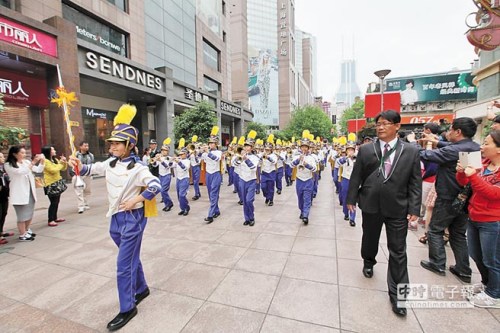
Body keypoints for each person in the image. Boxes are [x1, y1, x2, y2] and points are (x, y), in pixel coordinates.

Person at [69, 104, 161, 331]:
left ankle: (128, 307)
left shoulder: (139, 168)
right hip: (115, 219)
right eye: (111, 143)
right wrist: (75, 165)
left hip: (132, 218)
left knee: (123, 266)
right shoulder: (109, 164)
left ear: (130, 145)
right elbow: (88, 170)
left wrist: (136, 201)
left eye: (117, 143)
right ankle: (142, 289)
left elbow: (156, 185)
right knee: (130, 259)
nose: (112, 146)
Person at [346, 110, 422, 317]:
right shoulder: (366, 150)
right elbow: (356, 176)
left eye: (385, 123)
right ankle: (368, 261)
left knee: (398, 251)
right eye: (378, 123)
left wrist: (415, 208)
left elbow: (416, 182)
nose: (380, 127)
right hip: (370, 204)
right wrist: (351, 199)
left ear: (397, 126)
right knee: (369, 238)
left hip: (398, 207)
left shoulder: (411, 151)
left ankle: (399, 296)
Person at [410, 118, 480, 283]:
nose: (447, 132)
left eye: (450, 129)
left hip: (448, 196)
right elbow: (452, 148)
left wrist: (413, 143)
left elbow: (427, 155)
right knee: (458, 234)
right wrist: (435, 141)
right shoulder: (474, 147)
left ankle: (437, 263)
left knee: (435, 230)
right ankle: (463, 269)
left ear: (458, 132)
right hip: (465, 197)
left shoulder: (453, 151)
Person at [456, 130, 500, 309]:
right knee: (476, 255)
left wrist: (472, 175)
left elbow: (493, 193)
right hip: (474, 216)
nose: (482, 147)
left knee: (493, 259)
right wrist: (461, 172)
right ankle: (487, 284)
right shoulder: (483, 164)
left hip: (493, 221)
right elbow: (463, 182)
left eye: (487, 143)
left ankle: (495, 294)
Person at [4, 146, 45, 241]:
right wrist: (33, 162)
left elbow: (38, 170)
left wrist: (42, 161)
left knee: (29, 213)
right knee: (22, 215)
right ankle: (22, 234)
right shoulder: (9, 165)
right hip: (19, 192)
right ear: (14, 154)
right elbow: (21, 172)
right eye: (21, 153)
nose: (24, 154)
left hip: (29, 191)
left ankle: (26, 230)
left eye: (24, 152)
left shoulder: (26, 162)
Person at [233, 130, 260, 226]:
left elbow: (253, 168)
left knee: (249, 200)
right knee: (244, 201)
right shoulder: (240, 155)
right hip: (242, 179)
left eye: (248, 146)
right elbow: (234, 164)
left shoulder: (255, 157)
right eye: (245, 146)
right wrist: (238, 158)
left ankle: (251, 217)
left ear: (252, 148)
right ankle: (247, 218)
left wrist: (246, 159)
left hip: (251, 180)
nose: (246, 148)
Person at [291, 132, 317, 225]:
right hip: (299, 180)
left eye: (306, 147)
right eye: (303, 147)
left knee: (307, 199)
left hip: (308, 180)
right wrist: (299, 160)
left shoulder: (312, 157)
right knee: (300, 199)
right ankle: (302, 211)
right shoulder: (296, 156)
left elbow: (315, 169)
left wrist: (306, 165)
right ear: (300, 147)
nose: (304, 148)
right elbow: (291, 165)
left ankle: (306, 215)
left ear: (309, 148)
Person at [42, 145, 68, 227]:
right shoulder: (45, 161)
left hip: (57, 182)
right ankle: (51, 219)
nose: (55, 151)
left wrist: (64, 162)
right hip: (50, 184)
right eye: (53, 150)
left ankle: (55, 217)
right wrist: (60, 164)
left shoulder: (55, 160)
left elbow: (63, 169)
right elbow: (53, 170)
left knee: (56, 201)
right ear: (48, 152)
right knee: (53, 202)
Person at [202, 126, 222, 223]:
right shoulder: (206, 152)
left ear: (216, 144)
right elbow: (200, 160)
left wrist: (207, 152)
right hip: (208, 174)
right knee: (211, 194)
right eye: (209, 143)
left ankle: (210, 215)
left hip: (216, 174)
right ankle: (216, 210)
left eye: (212, 143)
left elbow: (216, 159)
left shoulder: (219, 152)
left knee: (214, 194)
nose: (210, 144)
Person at [72, 141, 94, 214]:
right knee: (79, 191)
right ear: (80, 147)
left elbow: (92, 165)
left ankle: (85, 203)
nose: (86, 147)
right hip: (78, 175)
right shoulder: (76, 155)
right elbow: (72, 164)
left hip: (87, 175)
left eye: (87, 146)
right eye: (85, 146)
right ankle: (80, 206)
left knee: (87, 191)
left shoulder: (91, 155)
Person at [338, 142, 357, 227]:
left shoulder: (357, 158)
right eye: (349, 150)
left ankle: (352, 218)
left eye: (352, 150)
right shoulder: (343, 158)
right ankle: (346, 213)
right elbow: (339, 162)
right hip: (345, 179)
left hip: (354, 180)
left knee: (353, 199)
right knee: (345, 198)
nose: (350, 151)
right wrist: (347, 157)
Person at [171, 148, 191, 216]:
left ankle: (186, 208)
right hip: (178, 179)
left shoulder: (187, 161)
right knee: (179, 196)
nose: (180, 155)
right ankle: (182, 208)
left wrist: (178, 162)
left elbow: (185, 168)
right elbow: (170, 165)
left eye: (182, 154)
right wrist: (172, 160)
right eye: (180, 154)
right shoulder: (177, 160)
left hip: (184, 178)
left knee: (182, 195)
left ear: (185, 154)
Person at [260, 139, 277, 206]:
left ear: (271, 150)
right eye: (266, 149)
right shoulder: (262, 154)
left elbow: (274, 162)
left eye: (268, 149)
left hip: (271, 173)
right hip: (264, 172)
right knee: (263, 187)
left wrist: (268, 157)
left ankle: (271, 200)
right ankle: (267, 196)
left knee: (270, 187)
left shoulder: (274, 155)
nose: (267, 150)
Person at [0, 152, 12, 245]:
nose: (3, 158)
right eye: (1, 157)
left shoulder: (3, 168)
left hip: (4, 194)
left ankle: (1, 231)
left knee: (4, 213)